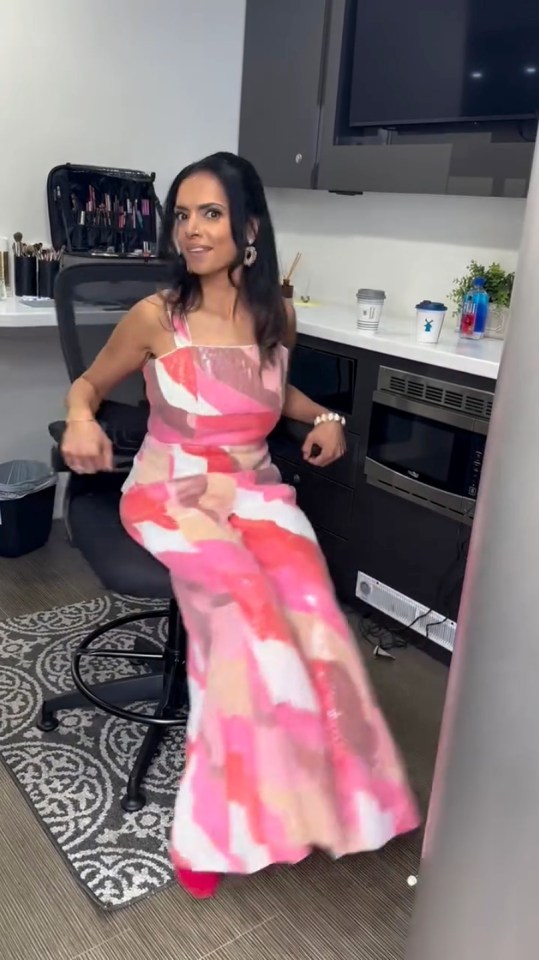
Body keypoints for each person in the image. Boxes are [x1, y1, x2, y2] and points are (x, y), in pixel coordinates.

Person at [61, 151, 419, 899]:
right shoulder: (155, 317)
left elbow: (270, 391)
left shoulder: (274, 313)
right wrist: (80, 421)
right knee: (246, 617)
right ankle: (213, 829)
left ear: (249, 226)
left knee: (316, 619)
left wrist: (324, 416)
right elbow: (89, 385)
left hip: (254, 489)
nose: (191, 231)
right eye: (182, 215)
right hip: (171, 490)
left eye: (210, 214)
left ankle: (334, 800)